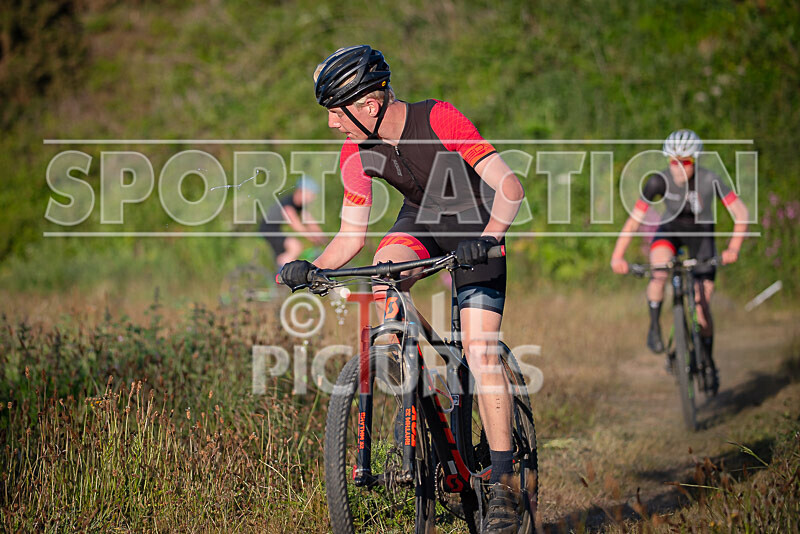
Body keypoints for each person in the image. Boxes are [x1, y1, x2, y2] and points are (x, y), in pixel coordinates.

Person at [280, 45, 526, 532]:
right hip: (421, 222)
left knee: (479, 350)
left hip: (477, 225)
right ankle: (414, 393)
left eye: (335, 112)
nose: (332, 124)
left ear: (368, 105)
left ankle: (502, 484)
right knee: (384, 271)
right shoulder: (356, 150)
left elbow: (510, 187)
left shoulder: (439, 118)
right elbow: (351, 237)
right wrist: (309, 266)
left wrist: (489, 238)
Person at [610, 129, 749, 392]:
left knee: (702, 309)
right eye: (673, 161)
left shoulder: (710, 180)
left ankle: (708, 361)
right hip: (670, 233)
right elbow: (634, 221)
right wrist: (617, 256)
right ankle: (654, 326)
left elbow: (741, 213)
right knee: (659, 271)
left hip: (701, 239)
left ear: (694, 161)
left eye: (684, 162)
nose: (678, 167)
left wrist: (734, 248)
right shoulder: (657, 181)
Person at [259, 175, 326, 269]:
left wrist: (322, 237)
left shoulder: (300, 205)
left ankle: (284, 270)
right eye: (310, 195)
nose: (312, 198)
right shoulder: (288, 203)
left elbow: (309, 221)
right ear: (301, 192)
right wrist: (310, 236)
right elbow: (294, 223)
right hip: (268, 230)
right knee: (295, 246)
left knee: (294, 252)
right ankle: (281, 276)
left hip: (276, 230)